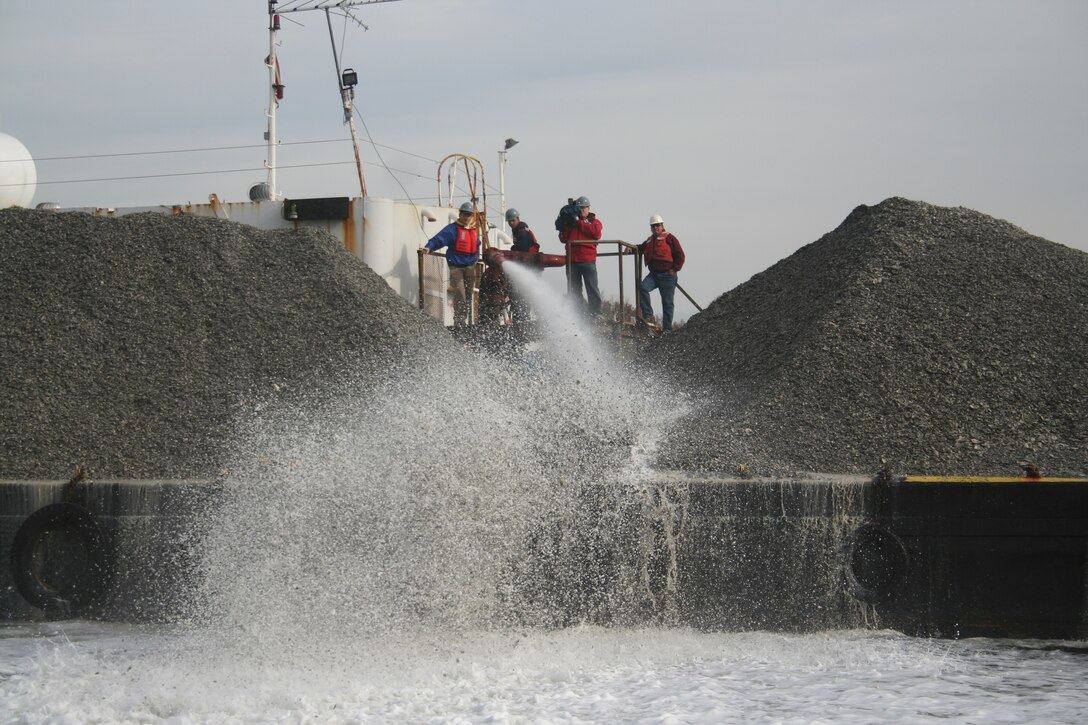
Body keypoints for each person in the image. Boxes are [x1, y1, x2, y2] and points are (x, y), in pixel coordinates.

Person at [421, 201, 481, 329]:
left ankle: (466, 320)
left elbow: (477, 245)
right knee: (460, 293)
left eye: (469, 215)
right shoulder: (453, 229)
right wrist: (428, 248)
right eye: (464, 214)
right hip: (457, 266)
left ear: (472, 216)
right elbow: (439, 239)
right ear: (460, 215)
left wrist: (475, 258)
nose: (466, 217)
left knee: (469, 294)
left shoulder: (473, 230)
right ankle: (459, 321)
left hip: (470, 266)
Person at [638, 214, 686, 331]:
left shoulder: (670, 238)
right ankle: (649, 316)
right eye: (653, 226)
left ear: (662, 225)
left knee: (667, 303)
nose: (656, 228)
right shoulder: (650, 240)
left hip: (667, 275)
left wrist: (674, 269)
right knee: (643, 288)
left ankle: (667, 330)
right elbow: (641, 248)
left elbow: (680, 255)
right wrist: (631, 248)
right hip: (654, 275)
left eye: (657, 225)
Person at [557, 196, 603, 316]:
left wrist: (579, 222)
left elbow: (596, 233)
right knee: (574, 290)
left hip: (587, 260)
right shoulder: (572, 223)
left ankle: (595, 313)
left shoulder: (594, 221)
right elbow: (563, 238)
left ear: (588, 208)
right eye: (579, 208)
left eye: (584, 207)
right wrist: (564, 225)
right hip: (572, 261)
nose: (582, 210)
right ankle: (579, 314)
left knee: (592, 288)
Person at [505, 207, 539, 331]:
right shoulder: (517, 230)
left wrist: (514, 249)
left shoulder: (522, 229)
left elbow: (523, 247)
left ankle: (523, 315)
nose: (511, 223)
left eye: (512, 220)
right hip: (525, 264)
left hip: (528, 264)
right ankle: (521, 314)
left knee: (525, 291)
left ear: (518, 219)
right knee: (522, 291)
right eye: (509, 221)